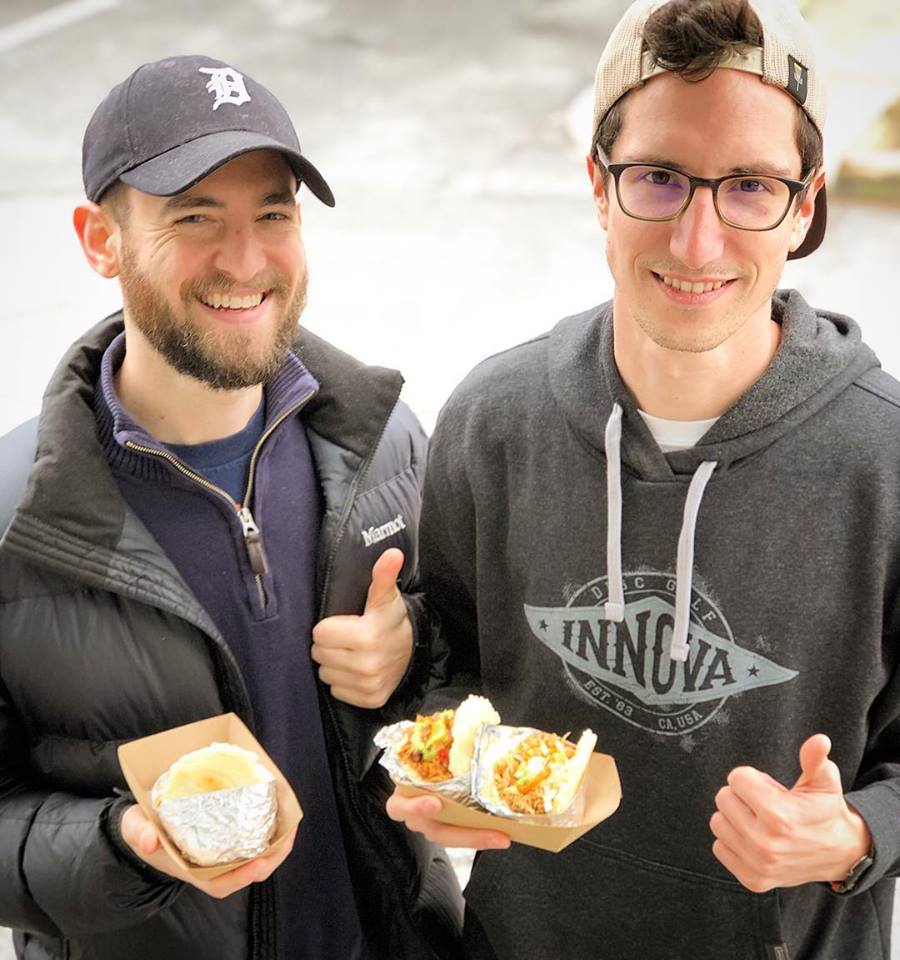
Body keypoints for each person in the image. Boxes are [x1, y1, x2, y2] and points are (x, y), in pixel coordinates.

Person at [386, 1, 900, 958]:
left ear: (807, 203)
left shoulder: (887, 462)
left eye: (750, 186)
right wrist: (438, 760)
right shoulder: (495, 420)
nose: (697, 242)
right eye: (659, 178)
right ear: (596, 181)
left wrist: (862, 831)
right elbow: (447, 664)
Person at [0, 55, 462, 960]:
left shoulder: (390, 443)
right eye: (195, 218)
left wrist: (418, 648)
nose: (245, 260)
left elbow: (476, 690)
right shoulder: (15, 514)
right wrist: (120, 844)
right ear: (100, 241)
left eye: (274, 214)